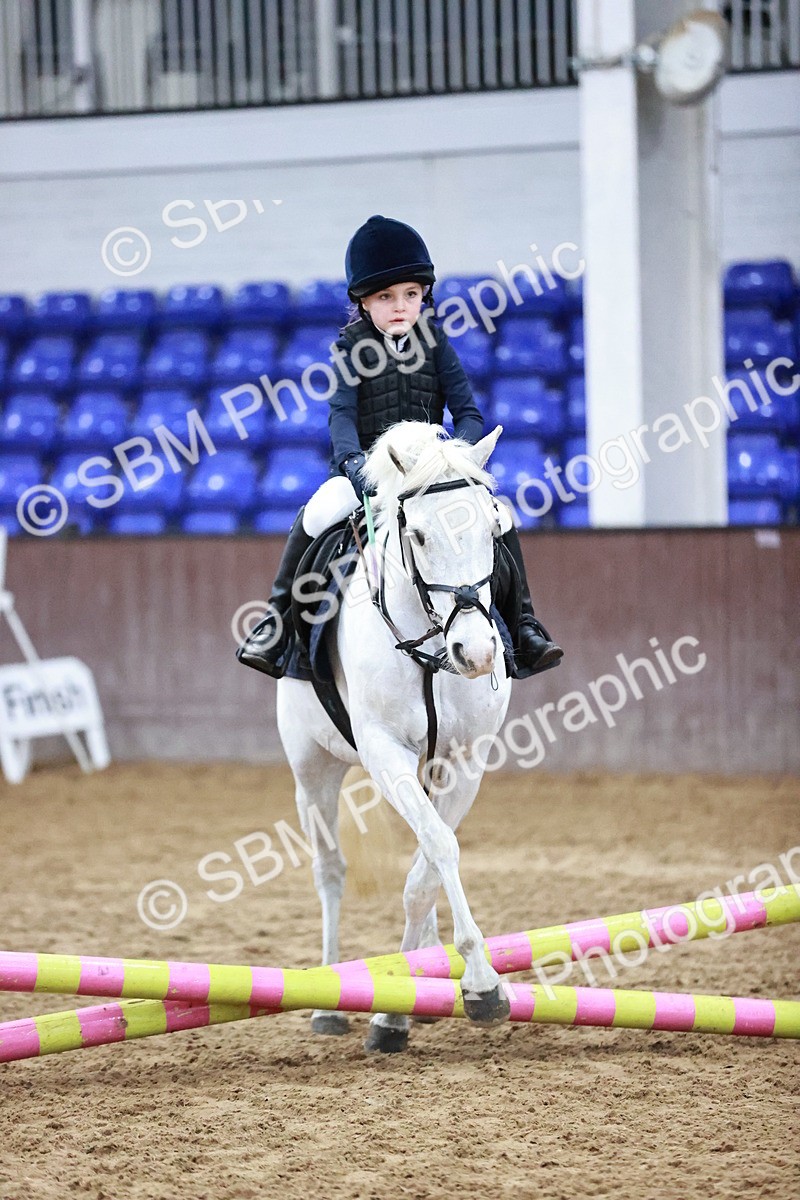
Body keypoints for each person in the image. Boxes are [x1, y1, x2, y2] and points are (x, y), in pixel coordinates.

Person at [237, 214, 563, 680]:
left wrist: (457, 458)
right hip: (369, 472)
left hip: (428, 475)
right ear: (364, 302)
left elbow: (468, 413)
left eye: (410, 295)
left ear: (423, 297)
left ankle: (525, 626)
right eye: (386, 297)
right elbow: (342, 413)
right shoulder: (350, 347)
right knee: (316, 513)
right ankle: (275, 624)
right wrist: (352, 461)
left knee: (500, 515)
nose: (400, 306)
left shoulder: (435, 343)